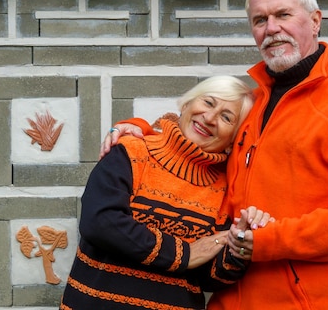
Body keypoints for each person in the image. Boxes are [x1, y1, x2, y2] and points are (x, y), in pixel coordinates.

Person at [101, 0, 328, 309]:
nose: (271, 28)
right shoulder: (252, 103)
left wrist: (268, 241)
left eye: (283, 15)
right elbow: (196, 134)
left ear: (315, 21)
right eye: (260, 20)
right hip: (230, 297)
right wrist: (138, 127)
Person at [60, 76, 272, 310]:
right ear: (187, 104)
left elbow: (209, 278)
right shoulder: (132, 152)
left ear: (234, 138)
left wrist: (239, 246)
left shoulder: (225, 188)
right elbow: (100, 223)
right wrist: (183, 254)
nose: (210, 118)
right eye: (209, 103)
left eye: (226, 117)